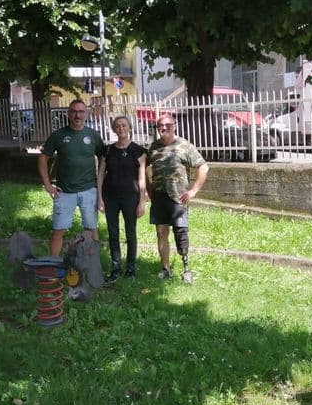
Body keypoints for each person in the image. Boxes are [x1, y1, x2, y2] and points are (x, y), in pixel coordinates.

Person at [146, 113, 209, 283]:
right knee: (161, 233)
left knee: (180, 233)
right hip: (159, 197)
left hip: (178, 197)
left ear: (174, 126)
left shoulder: (184, 145)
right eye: (160, 125)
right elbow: (143, 167)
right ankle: (165, 268)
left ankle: (186, 269)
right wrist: (149, 189)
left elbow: (203, 167)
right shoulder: (153, 147)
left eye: (167, 125)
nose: (163, 128)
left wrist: (193, 191)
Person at [38, 99, 105, 257]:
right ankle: (52, 264)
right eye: (74, 111)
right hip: (64, 192)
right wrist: (47, 184)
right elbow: (42, 158)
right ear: (68, 114)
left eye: (81, 112)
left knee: (91, 229)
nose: (77, 115)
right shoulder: (58, 135)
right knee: (58, 231)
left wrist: (99, 182)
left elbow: (103, 158)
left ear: (86, 114)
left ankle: (93, 264)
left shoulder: (93, 135)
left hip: (88, 190)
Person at [97, 115, 147, 283]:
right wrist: (99, 198)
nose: (121, 128)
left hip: (131, 197)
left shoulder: (139, 151)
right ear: (114, 129)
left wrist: (142, 201)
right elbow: (100, 174)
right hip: (110, 197)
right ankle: (116, 267)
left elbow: (142, 178)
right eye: (117, 126)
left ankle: (130, 269)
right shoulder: (107, 150)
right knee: (113, 233)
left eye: (124, 125)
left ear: (130, 127)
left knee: (130, 233)